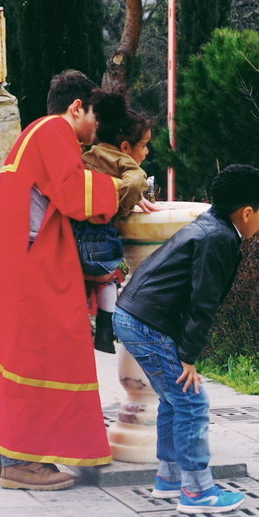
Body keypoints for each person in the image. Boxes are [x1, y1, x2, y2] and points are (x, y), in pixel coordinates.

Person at [0, 69, 120, 491]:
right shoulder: (56, 130)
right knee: (37, 356)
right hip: (26, 268)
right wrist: (122, 188)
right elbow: (74, 194)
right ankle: (24, 465)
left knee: (10, 359)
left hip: (6, 264)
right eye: (94, 116)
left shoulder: (33, 133)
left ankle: (1, 459)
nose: (97, 127)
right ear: (76, 108)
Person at [113, 164, 259, 514]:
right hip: (145, 322)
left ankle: (170, 478)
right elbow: (203, 302)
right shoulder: (219, 238)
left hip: (135, 316)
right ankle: (197, 491)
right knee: (191, 401)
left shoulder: (211, 227)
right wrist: (188, 357)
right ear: (246, 212)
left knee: (173, 399)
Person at [77, 89, 161, 353]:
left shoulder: (90, 153)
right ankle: (106, 328)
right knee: (111, 277)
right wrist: (123, 206)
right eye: (144, 145)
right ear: (125, 146)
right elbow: (135, 183)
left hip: (77, 232)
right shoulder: (126, 163)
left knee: (90, 279)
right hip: (102, 235)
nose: (146, 152)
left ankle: (94, 326)